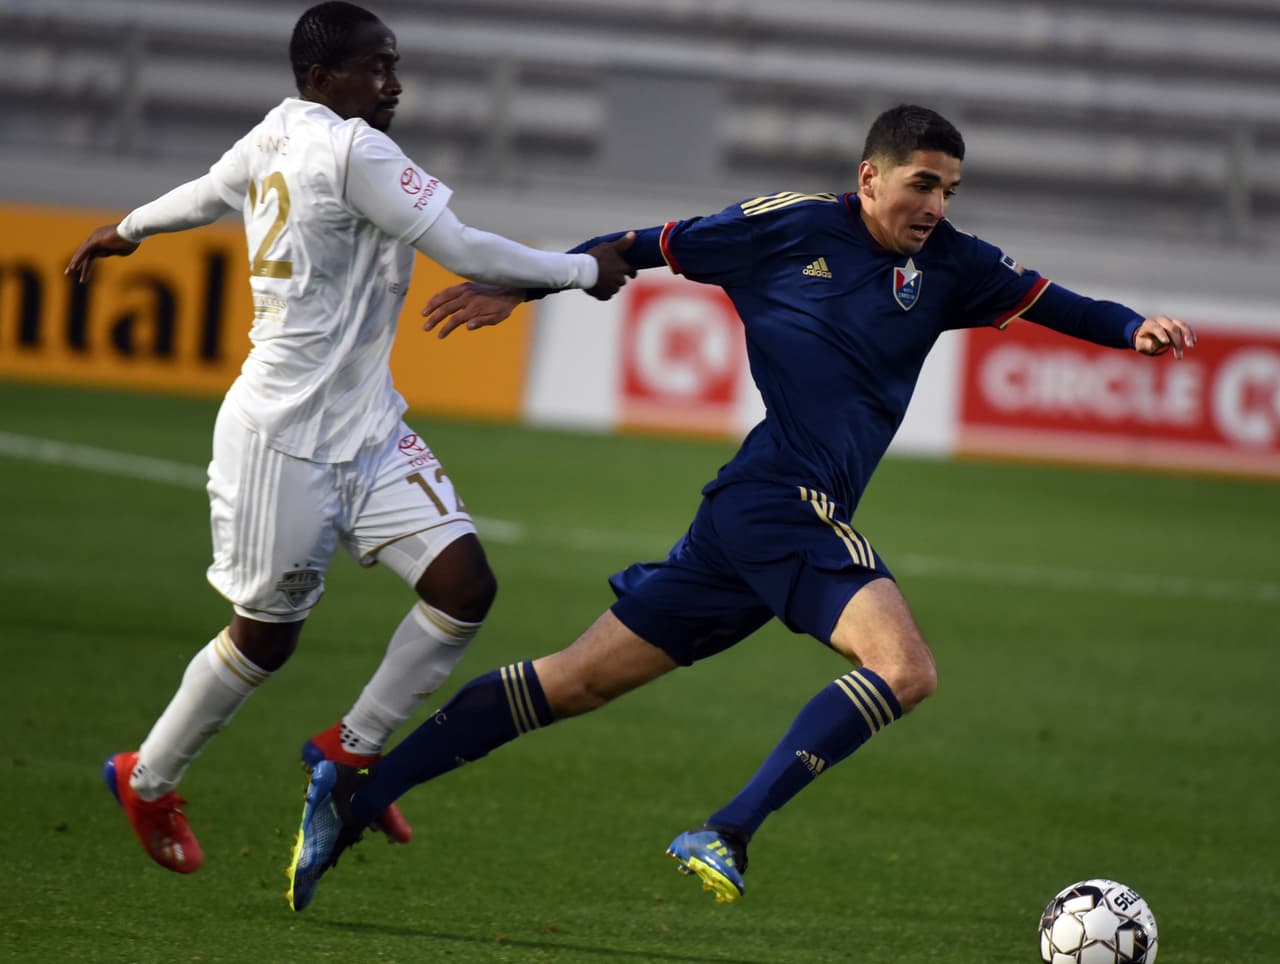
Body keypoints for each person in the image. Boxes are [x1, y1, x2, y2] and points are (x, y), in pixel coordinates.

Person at [284, 103, 1196, 911]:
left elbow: (1057, 304)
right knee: (905, 668)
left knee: (577, 681)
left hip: (749, 517)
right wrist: (518, 288)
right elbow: (634, 248)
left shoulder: (955, 263)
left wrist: (1132, 329)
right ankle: (728, 830)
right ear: (870, 177)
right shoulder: (787, 227)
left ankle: (354, 790)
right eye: (922, 185)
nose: (936, 206)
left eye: (949, 190)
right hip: (781, 501)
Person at [65, 0, 635, 896]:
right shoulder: (351, 149)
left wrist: (130, 228)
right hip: (282, 441)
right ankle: (146, 780)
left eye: (394, 65)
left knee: (463, 589)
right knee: (265, 641)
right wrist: (582, 269)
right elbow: (461, 248)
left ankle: (349, 750)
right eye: (376, 68)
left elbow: (210, 189)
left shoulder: (280, 131)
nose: (393, 84)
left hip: (369, 428)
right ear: (324, 79)